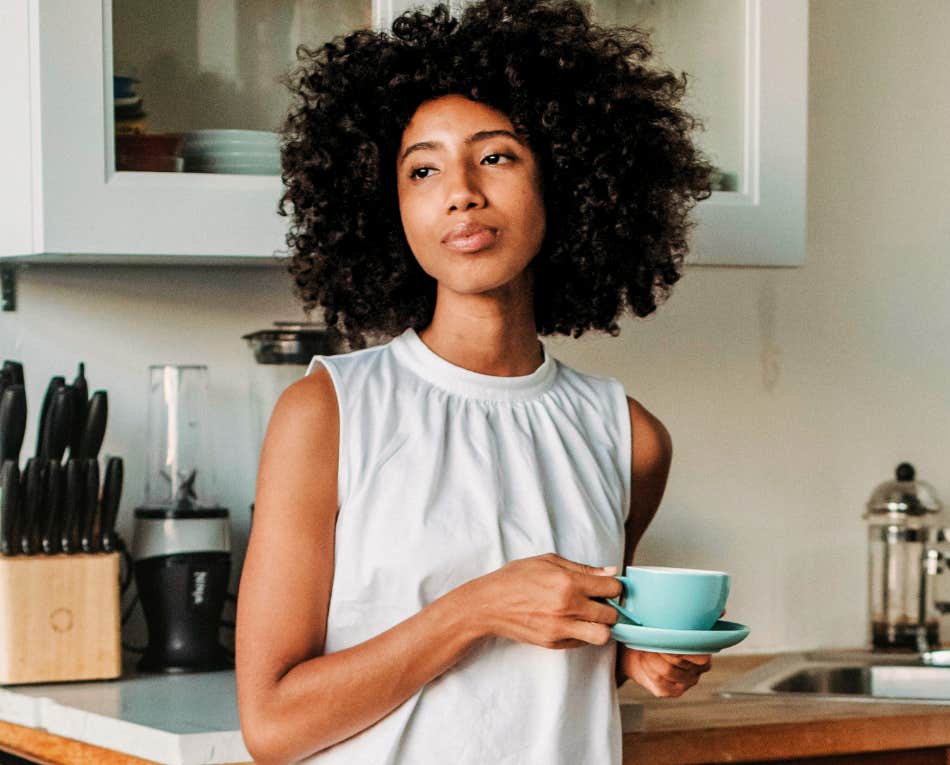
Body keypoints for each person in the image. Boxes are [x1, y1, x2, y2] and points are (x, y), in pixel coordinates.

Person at [234, 1, 717, 762]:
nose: (460, 190)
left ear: (567, 178)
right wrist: (474, 608)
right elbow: (271, 723)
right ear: (387, 206)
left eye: (496, 156)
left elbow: (551, 668)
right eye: (422, 168)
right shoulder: (328, 412)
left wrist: (639, 657)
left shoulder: (629, 436)